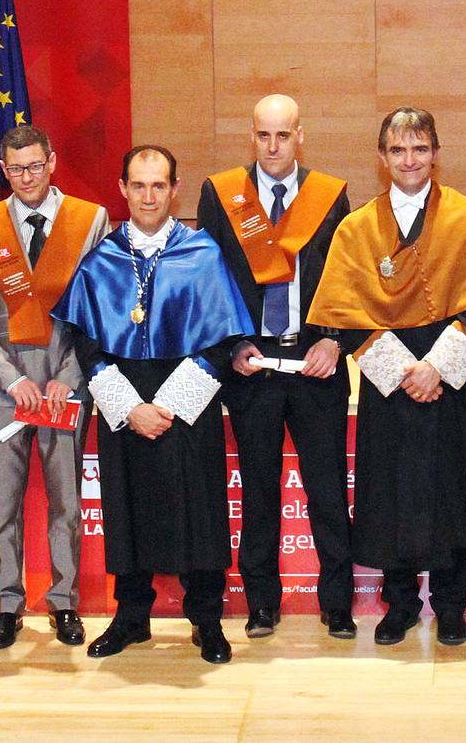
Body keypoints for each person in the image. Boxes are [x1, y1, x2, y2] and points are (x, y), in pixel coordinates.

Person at [309, 106, 466, 648]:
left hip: (450, 372)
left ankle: (450, 606)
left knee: (453, 490)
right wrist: (403, 372)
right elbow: (345, 314)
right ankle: (398, 605)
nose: (409, 160)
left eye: (420, 149)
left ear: (435, 154)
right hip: (388, 376)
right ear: (382, 158)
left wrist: (437, 369)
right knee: (390, 494)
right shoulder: (356, 228)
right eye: (398, 150)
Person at [54, 145, 253, 664]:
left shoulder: (202, 253)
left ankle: (206, 620)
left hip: (187, 404)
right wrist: (131, 407)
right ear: (122, 188)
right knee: (127, 509)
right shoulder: (102, 261)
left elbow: (219, 345)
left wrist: (166, 404)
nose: (147, 196)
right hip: (125, 404)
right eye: (138, 185)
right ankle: (131, 617)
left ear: (175, 188)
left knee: (201, 511)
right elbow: (88, 346)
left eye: (158, 185)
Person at [197, 94, 356, 640]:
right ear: (252, 135)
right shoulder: (222, 193)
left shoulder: (328, 194)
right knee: (259, 487)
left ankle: (338, 603)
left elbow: (344, 277)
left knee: (328, 488)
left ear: (300, 135)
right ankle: (262, 603)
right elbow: (210, 278)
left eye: (283, 136)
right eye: (263, 136)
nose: (272, 146)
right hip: (253, 363)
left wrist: (335, 341)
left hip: (315, 359)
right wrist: (232, 345)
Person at [0, 126, 109, 650]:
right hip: (3, 391)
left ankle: (64, 603)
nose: (26, 177)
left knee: (65, 502)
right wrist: (14, 379)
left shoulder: (89, 219)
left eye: (35, 166)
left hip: (63, 388)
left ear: (52, 161)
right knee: (3, 505)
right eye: (16, 169)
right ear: (3, 170)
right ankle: (8, 605)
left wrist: (66, 379)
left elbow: (97, 315)